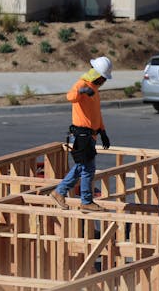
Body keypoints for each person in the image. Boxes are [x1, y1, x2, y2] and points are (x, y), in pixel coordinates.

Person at [51, 56, 112, 212]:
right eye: (103, 78)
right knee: (88, 169)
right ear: (98, 76)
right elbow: (70, 97)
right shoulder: (82, 84)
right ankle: (85, 200)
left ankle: (59, 192)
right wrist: (81, 90)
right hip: (82, 135)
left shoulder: (95, 90)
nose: (104, 82)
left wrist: (102, 130)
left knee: (81, 167)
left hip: (90, 135)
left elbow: (96, 114)